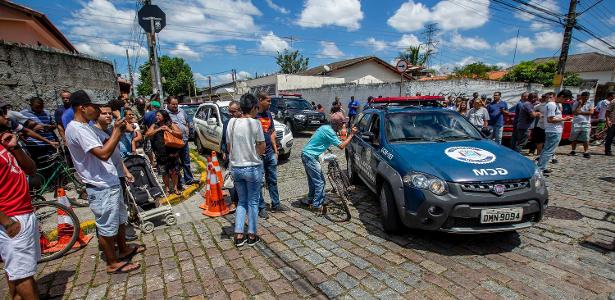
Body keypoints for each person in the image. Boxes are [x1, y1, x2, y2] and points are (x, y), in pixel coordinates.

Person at [64, 90, 143, 274]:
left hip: (110, 180)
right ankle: (112, 262)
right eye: (95, 107)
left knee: (119, 219)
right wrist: (116, 130)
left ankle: (122, 249)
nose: (98, 110)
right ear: (82, 108)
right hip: (100, 185)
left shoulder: (87, 127)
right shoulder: (77, 129)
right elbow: (103, 153)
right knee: (107, 225)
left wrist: (118, 128)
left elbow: (109, 143)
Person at [0, 102, 40, 300]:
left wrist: (15, 147)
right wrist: (7, 222)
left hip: (23, 211)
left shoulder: (6, 144)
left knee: (20, 270)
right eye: (1, 114)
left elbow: (31, 169)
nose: (6, 117)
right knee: (21, 273)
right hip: (10, 216)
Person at [227, 93, 265, 247]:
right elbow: (262, 148)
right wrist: (253, 152)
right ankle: (251, 235)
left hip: (236, 168)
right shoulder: (256, 124)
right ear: (254, 107)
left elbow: (229, 147)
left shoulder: (231, 123)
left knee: (241, 201)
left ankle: (238, 235)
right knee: (253, 202)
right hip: (252, 167)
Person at [301, 112, 356, 212]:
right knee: (320, 182)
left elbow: (322, 140)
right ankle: (317, 205)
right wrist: (351, 135)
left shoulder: (325, 127)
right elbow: (341, 146)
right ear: (338, 124)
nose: (344, 125)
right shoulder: (330, 131)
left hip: (306, 154)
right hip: (311, 157)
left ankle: (311, 200)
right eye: (343, 123)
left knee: (313, 180)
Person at [255, 93, 285, 218]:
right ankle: (261, 207)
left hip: (270, 153)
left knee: (272, 179)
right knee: (259, 182)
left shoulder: (268, 115)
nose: (270, 103)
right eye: (268, 101)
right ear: (260, 100)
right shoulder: (253, 115)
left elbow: (271, 132)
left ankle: (276, 204)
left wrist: (275, 150)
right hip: (258, 155)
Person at [145, 110, 183, 194]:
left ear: (164, 116)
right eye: (156, 116)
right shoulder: (155, 125)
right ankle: (167, 189)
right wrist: (159, 129)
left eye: (158, 115)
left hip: (172, 152)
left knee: (174, 172)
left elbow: (180, 134)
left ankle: (175, 188)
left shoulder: (171, 124)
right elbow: (147, 134)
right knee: (164, 172)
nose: (156, 117)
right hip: (160, 153)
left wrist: (169, 130)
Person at [537, 90, 573, 175]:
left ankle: (542, 166)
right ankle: (540, 168)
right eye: (566, 99)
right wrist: (564, 119)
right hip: (553, 130)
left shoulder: (556, 105)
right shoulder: (552, 105)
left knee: (547, 150)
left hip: (555, 130)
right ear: (562, 96)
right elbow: (550, 119)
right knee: (549, 150)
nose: (566, 101)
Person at [167, 97, 198, 186]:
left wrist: (187, 129)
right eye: (173, 104)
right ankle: (178, 182)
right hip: (174, 143)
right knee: (175, 163)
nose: (175, 106)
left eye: (176, 104)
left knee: (186, 161)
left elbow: (187, 121)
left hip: (184, 141)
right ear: (168, 104)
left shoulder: (182, 111)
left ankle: (189, 179)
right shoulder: (166, 114)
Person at [20, 97, 59, 167]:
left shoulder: (46, 112)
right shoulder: (23, 114)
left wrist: (50, 127)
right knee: (41, 168)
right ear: (30, 105)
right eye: (37, 107)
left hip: (50, 144)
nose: (40, 109)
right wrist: (35, 129)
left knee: (54, 166)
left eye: (41, 107)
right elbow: (20, 131)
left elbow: (54, 125)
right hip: (36, 146)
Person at [568, 91, 594, 158]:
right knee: (574, 137)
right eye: (584, 96)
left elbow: (591, 112)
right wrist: (579, 104)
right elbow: (574, 112)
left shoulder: (590, 103)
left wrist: (581, 112)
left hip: (586, 123)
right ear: (581, 96)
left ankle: (586, 152)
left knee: (586, 138)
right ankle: (573, 150)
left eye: (587, 97)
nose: (586, 98)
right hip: (576, 122)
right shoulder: (576, 103)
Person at [530, 93, 552, 157]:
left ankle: (551, 155)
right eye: (547, 97)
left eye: (550, 97)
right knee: (540, 141)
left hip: (550, 126)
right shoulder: (541, 105)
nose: (548, 99)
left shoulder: (555, 105)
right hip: (541, 125)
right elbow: (532, 111)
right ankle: (539, 155)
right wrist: (538, 114)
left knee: (549, 141)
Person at [142, 100, 161, 165]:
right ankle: (159, 162)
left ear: (151, 106)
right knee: (158, 149)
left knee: (148, 149)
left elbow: (145, 126)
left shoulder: (147, 114)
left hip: (149, 134)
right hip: (159, 135)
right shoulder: (161, 114)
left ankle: (152, 162)